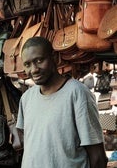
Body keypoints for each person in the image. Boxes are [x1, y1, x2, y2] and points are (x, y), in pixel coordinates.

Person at [16, 36, 108, 168]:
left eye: (39, 60)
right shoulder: (26, 98)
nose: (34, 69)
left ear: (54, 57)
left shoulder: (77, 93)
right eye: (27, 64)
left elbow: (97, 156)